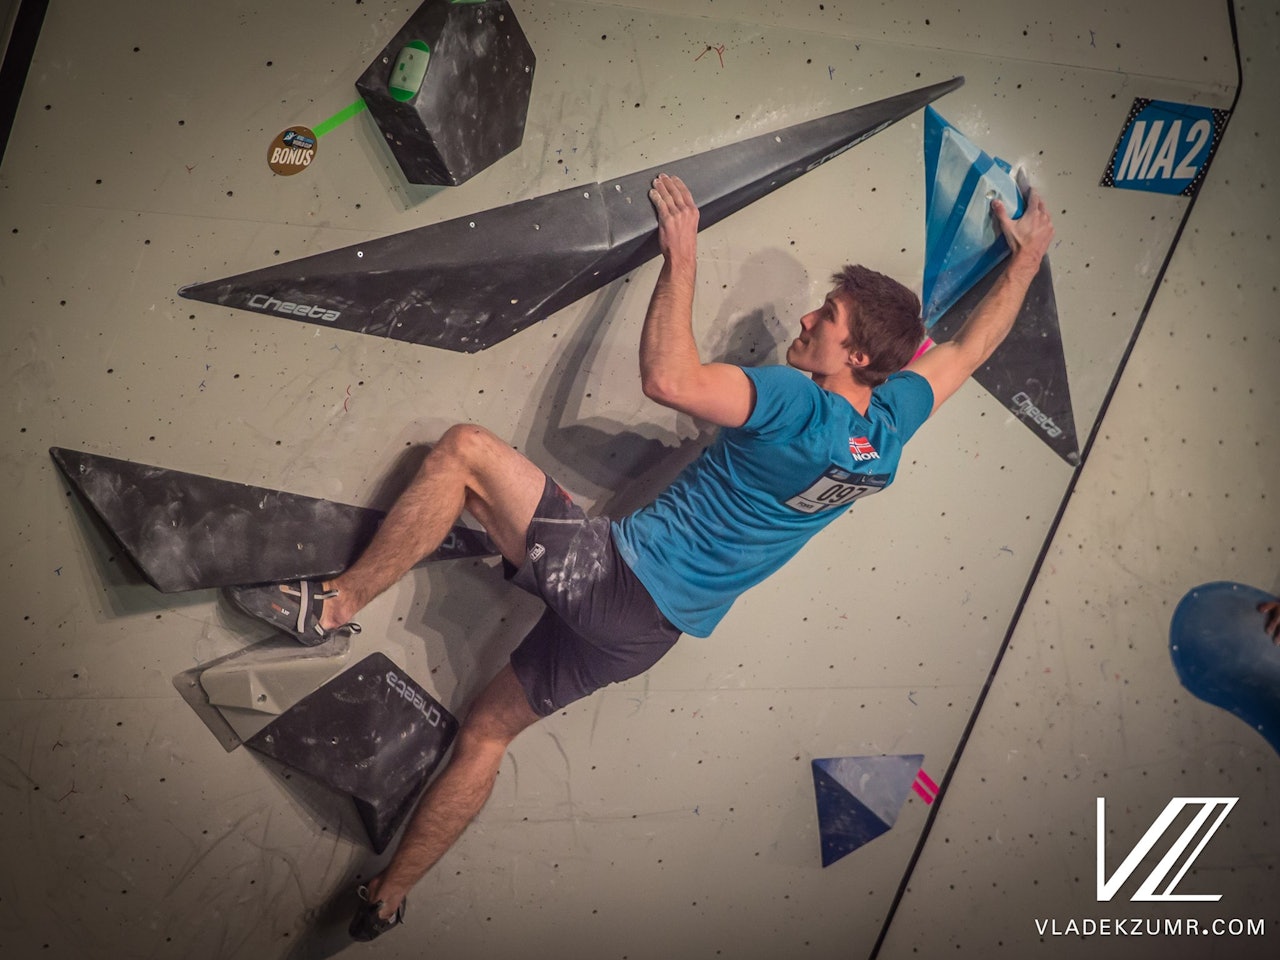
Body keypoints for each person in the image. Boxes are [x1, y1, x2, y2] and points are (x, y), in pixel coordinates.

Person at [229, 173, 1055, 939]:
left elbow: (668, 378)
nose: (806, 322)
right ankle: (389, 898)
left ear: (860, 358)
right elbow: (968, 352)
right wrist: (1028, 259)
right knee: (486, 732)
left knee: (466, 454)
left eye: (825, 319)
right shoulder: (888, 430)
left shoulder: (795, 403)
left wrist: (683, 254)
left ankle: (331, 607)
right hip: (646, 636)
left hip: (618, 581)